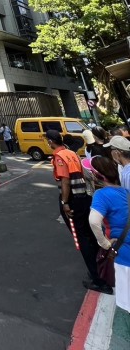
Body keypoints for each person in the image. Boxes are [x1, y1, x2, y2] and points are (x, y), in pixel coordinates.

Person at [46, 129, 112, 294]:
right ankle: (102, 272)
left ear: (50, 141)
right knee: (91, 236)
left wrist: (65, 202)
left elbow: (65, 181)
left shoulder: (59, 157)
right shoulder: (71, 153)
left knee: (82, 240)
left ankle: (98, 280)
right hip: (84, 198)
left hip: (73, 201)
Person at [89, 155, 130, 313]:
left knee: (126, 302)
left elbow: (94, 221)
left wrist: (105, 243)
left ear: (96, 175)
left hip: (123, 256)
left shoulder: (102, 194)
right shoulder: (126, 192)